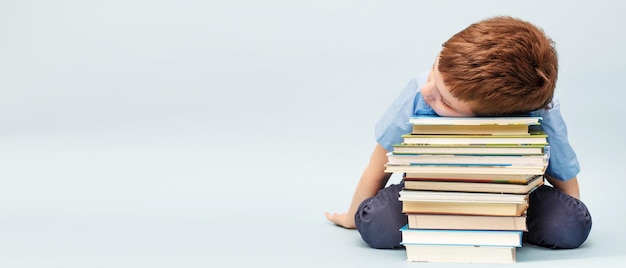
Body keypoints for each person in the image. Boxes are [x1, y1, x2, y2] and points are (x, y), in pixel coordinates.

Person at [324, 16, 592, 250]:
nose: (428, 92)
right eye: (433, 70)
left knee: (571, 225)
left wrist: (567, 211)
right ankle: (472, 227)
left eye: (445, 102)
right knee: (375, 224)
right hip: (430, 194)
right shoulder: (421, 91)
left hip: (514, 197)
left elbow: (564, 174)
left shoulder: (540, 111)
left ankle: (496, 226)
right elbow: (378, 164)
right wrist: (351, 217)